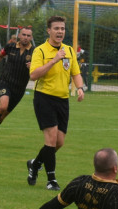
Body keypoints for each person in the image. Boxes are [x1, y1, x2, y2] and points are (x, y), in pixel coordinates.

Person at [27, 15, 85, 191]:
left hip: (63, 99)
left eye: (62, 29)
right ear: (49, 30)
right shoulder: (40, 51)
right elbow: (33, 75)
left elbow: (75, 72)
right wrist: (54, 60)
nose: (60, 32)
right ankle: (51, 180)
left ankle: (35, 164)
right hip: (44, 97)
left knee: (59, 142)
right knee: (51, 139)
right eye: (56, 28)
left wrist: (80, 88)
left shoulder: (69, 50)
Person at [0, 26, 34, 145]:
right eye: (23, 35)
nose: (25, 37)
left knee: (3, 116)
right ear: (19, 35)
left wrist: (33, 67)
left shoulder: (35, 52)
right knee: (2, 107)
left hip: (19, 88)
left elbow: (38, 71)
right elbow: (0, 55)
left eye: (28, 36)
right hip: (6, 82)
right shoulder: (10, 46)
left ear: (31, 37)